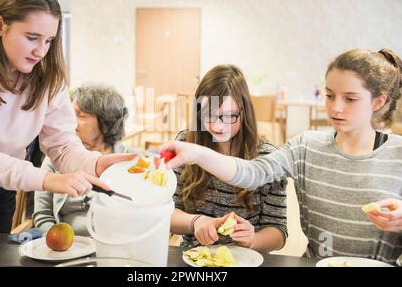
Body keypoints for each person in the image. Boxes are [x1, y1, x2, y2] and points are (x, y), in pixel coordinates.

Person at [162, 49, 402, 264]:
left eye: (350, 99)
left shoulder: (397, 153)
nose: (335, 108)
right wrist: (198, 154)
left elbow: (277, 230)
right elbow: (253, 172)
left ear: (378, 101)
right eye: (329, 96)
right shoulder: (305, 146)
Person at [0, 0, 135, 233]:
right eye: (32, 38)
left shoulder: (47, 76)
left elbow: (62, 146)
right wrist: (46, 179)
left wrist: (95, 164)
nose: (41, 51)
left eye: (49, 40)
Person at [170, 64, 288, 252]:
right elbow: (167, 212)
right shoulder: (187, 144)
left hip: (247, 259)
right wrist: (196, 222)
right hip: (194, 258)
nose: (218, 126)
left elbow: (278, 231)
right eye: (209, 115)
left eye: (228, 117)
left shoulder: (268, 156)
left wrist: (252, 240)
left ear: (244, 112)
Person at [33, 84, 134, 235]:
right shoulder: (57, 156)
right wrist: (57, 241)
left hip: (113, 245)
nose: (72, 122)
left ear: (106, 121)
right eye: (71, 113)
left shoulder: (128, 161)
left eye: (81, 115)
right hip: (65, 247)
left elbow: (137, 215)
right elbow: (43, 215)